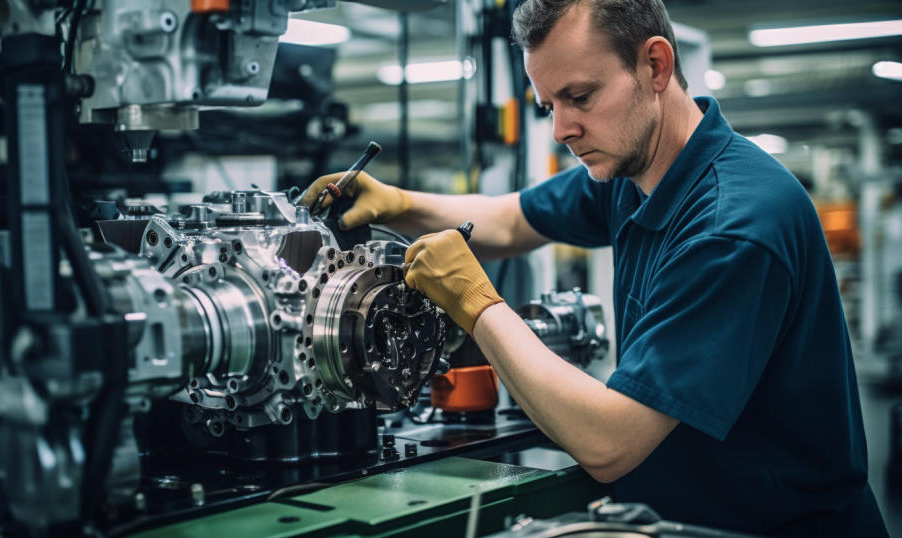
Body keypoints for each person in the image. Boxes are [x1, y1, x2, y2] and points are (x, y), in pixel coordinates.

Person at [301, 0, 888, 535]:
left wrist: (476, 303)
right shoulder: (635, 169)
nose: (562, 130)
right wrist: (403, 204)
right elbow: (510, 221)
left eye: (580, 98)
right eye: (548, 105)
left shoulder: (733, 226)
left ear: (655, 66)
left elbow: (609, 442)